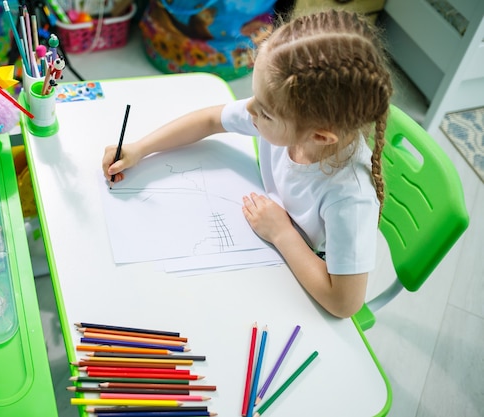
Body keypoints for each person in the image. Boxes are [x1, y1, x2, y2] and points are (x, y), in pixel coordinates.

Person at [101, 9, 394, 318]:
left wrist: (282, 233)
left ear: (320, 137)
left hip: (296, 271)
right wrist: (140, 148)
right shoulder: (284, 114)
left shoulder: (350, 197)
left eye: (264, 111)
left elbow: (344, 303)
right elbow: (212, 119)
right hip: (264, 243)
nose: (249, 109)